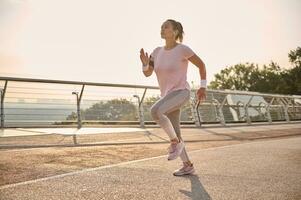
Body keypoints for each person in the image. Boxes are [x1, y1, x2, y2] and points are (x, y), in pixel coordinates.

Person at [139, 19, 207, 176]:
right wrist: (144, 64)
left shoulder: (183, 49)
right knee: (176, 131)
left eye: (166, 27)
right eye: (161, 27)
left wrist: (202, 86)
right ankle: (188, 165)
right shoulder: (156, 52)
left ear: (175, 31)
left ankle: (174, 143)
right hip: (168, 96)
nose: (162, 29)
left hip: (181, 92)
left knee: (155, 111)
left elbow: (201, 65)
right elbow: (148, 73)